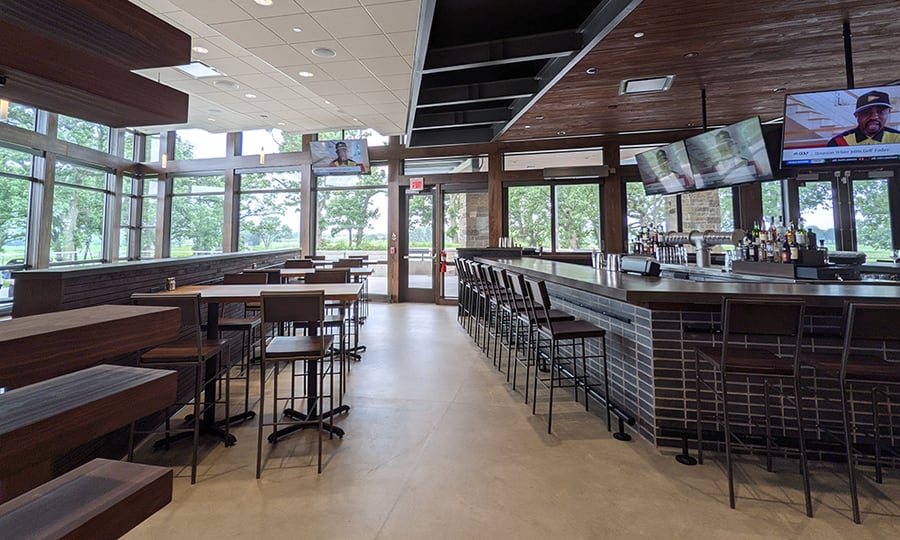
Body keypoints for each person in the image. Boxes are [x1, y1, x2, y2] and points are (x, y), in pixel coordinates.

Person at [827, 90, 900, 146]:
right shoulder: (839, 142)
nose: (874, 117)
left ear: (888, 113)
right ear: (856, 115)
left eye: (880, 111)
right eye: (867, 112)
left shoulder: (897, 139)